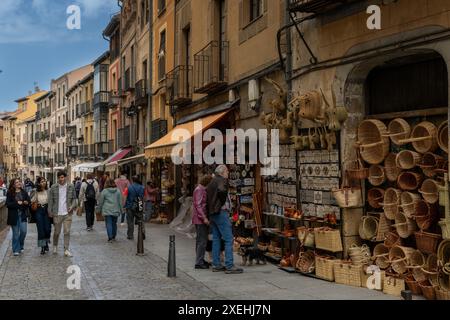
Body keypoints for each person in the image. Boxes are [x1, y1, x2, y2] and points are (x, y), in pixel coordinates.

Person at [206, 165, 243, 274]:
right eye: (227, 171)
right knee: (228, 239)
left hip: (213, 213)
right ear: (222, 172)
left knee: (217, 238)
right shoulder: (222, 180)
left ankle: (216, 264)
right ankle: (229, 265)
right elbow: (222, 192)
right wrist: (221, 203)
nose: (228, 173)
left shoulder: (212, 181)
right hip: (221, 212)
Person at [48, 171, 78, 257]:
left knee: (67, 231)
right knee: (57, 232)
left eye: (63, 177)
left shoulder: (71, 186)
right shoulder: (53, 187)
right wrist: (50, 211)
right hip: (57, 213)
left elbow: (74, 199)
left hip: (67, 213)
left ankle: (66, 249)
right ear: (58, 178)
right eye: (60, 177)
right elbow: (50, 201)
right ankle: (55, 245)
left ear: (66, 177)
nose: (61, 179)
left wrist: (72, 206)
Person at [192, 174, 212, 269]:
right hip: (200, 220)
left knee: (200, 240)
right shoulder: (199, 190)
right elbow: (198, 205)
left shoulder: (201, 189)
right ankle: (199, 262)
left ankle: (200, 259)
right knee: (202, 241)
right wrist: (204, 218)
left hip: (200, 218)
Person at [6, 179, 30, 256]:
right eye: (16, 182)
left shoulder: (24, 192)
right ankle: (16, 249)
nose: (19, 183)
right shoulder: (10, 193)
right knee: (16, 234)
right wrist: (17, 203)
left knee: (24, 231)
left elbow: (28, 202)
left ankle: (21, 244)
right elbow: (8, 204)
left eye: (19, 182)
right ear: (13, 184)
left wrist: (26, 202)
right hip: (14, 216)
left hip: (22, 215)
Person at [98, 178, 123, 242]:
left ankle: (110, 237)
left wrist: (99, 209)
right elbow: (120, 201)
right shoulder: (118, 191)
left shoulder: (104, 191)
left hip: (107, 210)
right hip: (115, 209)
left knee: (108, 223)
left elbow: (101, 201)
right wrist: (121, 210)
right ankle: (114, 236)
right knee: (114, 223)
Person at [31, 177, 51, 255]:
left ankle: (46, 242)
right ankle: (43, 247)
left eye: (44, 181)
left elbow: (51, 201)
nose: (44, 183)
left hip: (46, 210)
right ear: (39, 183)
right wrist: (34, 200)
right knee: (40, 229)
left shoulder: (48, 191)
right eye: (42, 181)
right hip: (39, 210)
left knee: (47, 229)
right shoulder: (35, 191)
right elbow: (31, 200)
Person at [124, 175, 145, 240]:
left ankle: (130, 235)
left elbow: (125, 196)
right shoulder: (142, 187)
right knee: (140, 220)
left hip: (130, 206)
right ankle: (142, 233)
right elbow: (144, 197)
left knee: (130, 221)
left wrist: (124, 205)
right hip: (139, 205)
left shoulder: (128, 187)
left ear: (132, 180)